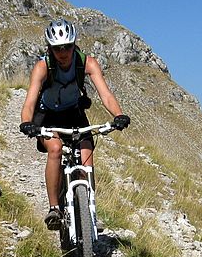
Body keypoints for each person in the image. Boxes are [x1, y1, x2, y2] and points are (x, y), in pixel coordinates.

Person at [19, 19, 131, 230]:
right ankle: (55, 209)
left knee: (87, 153)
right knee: (55, 149)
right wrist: (27, 123)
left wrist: (119, 115)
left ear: (74, 44)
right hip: (48, 116)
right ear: (50, 48)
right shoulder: (43, 67)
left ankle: (90, 211)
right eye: (57, 48)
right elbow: (30, 101)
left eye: (67, 46)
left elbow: (106, 94)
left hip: (74, 114)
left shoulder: (87, 63)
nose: (63, 52)